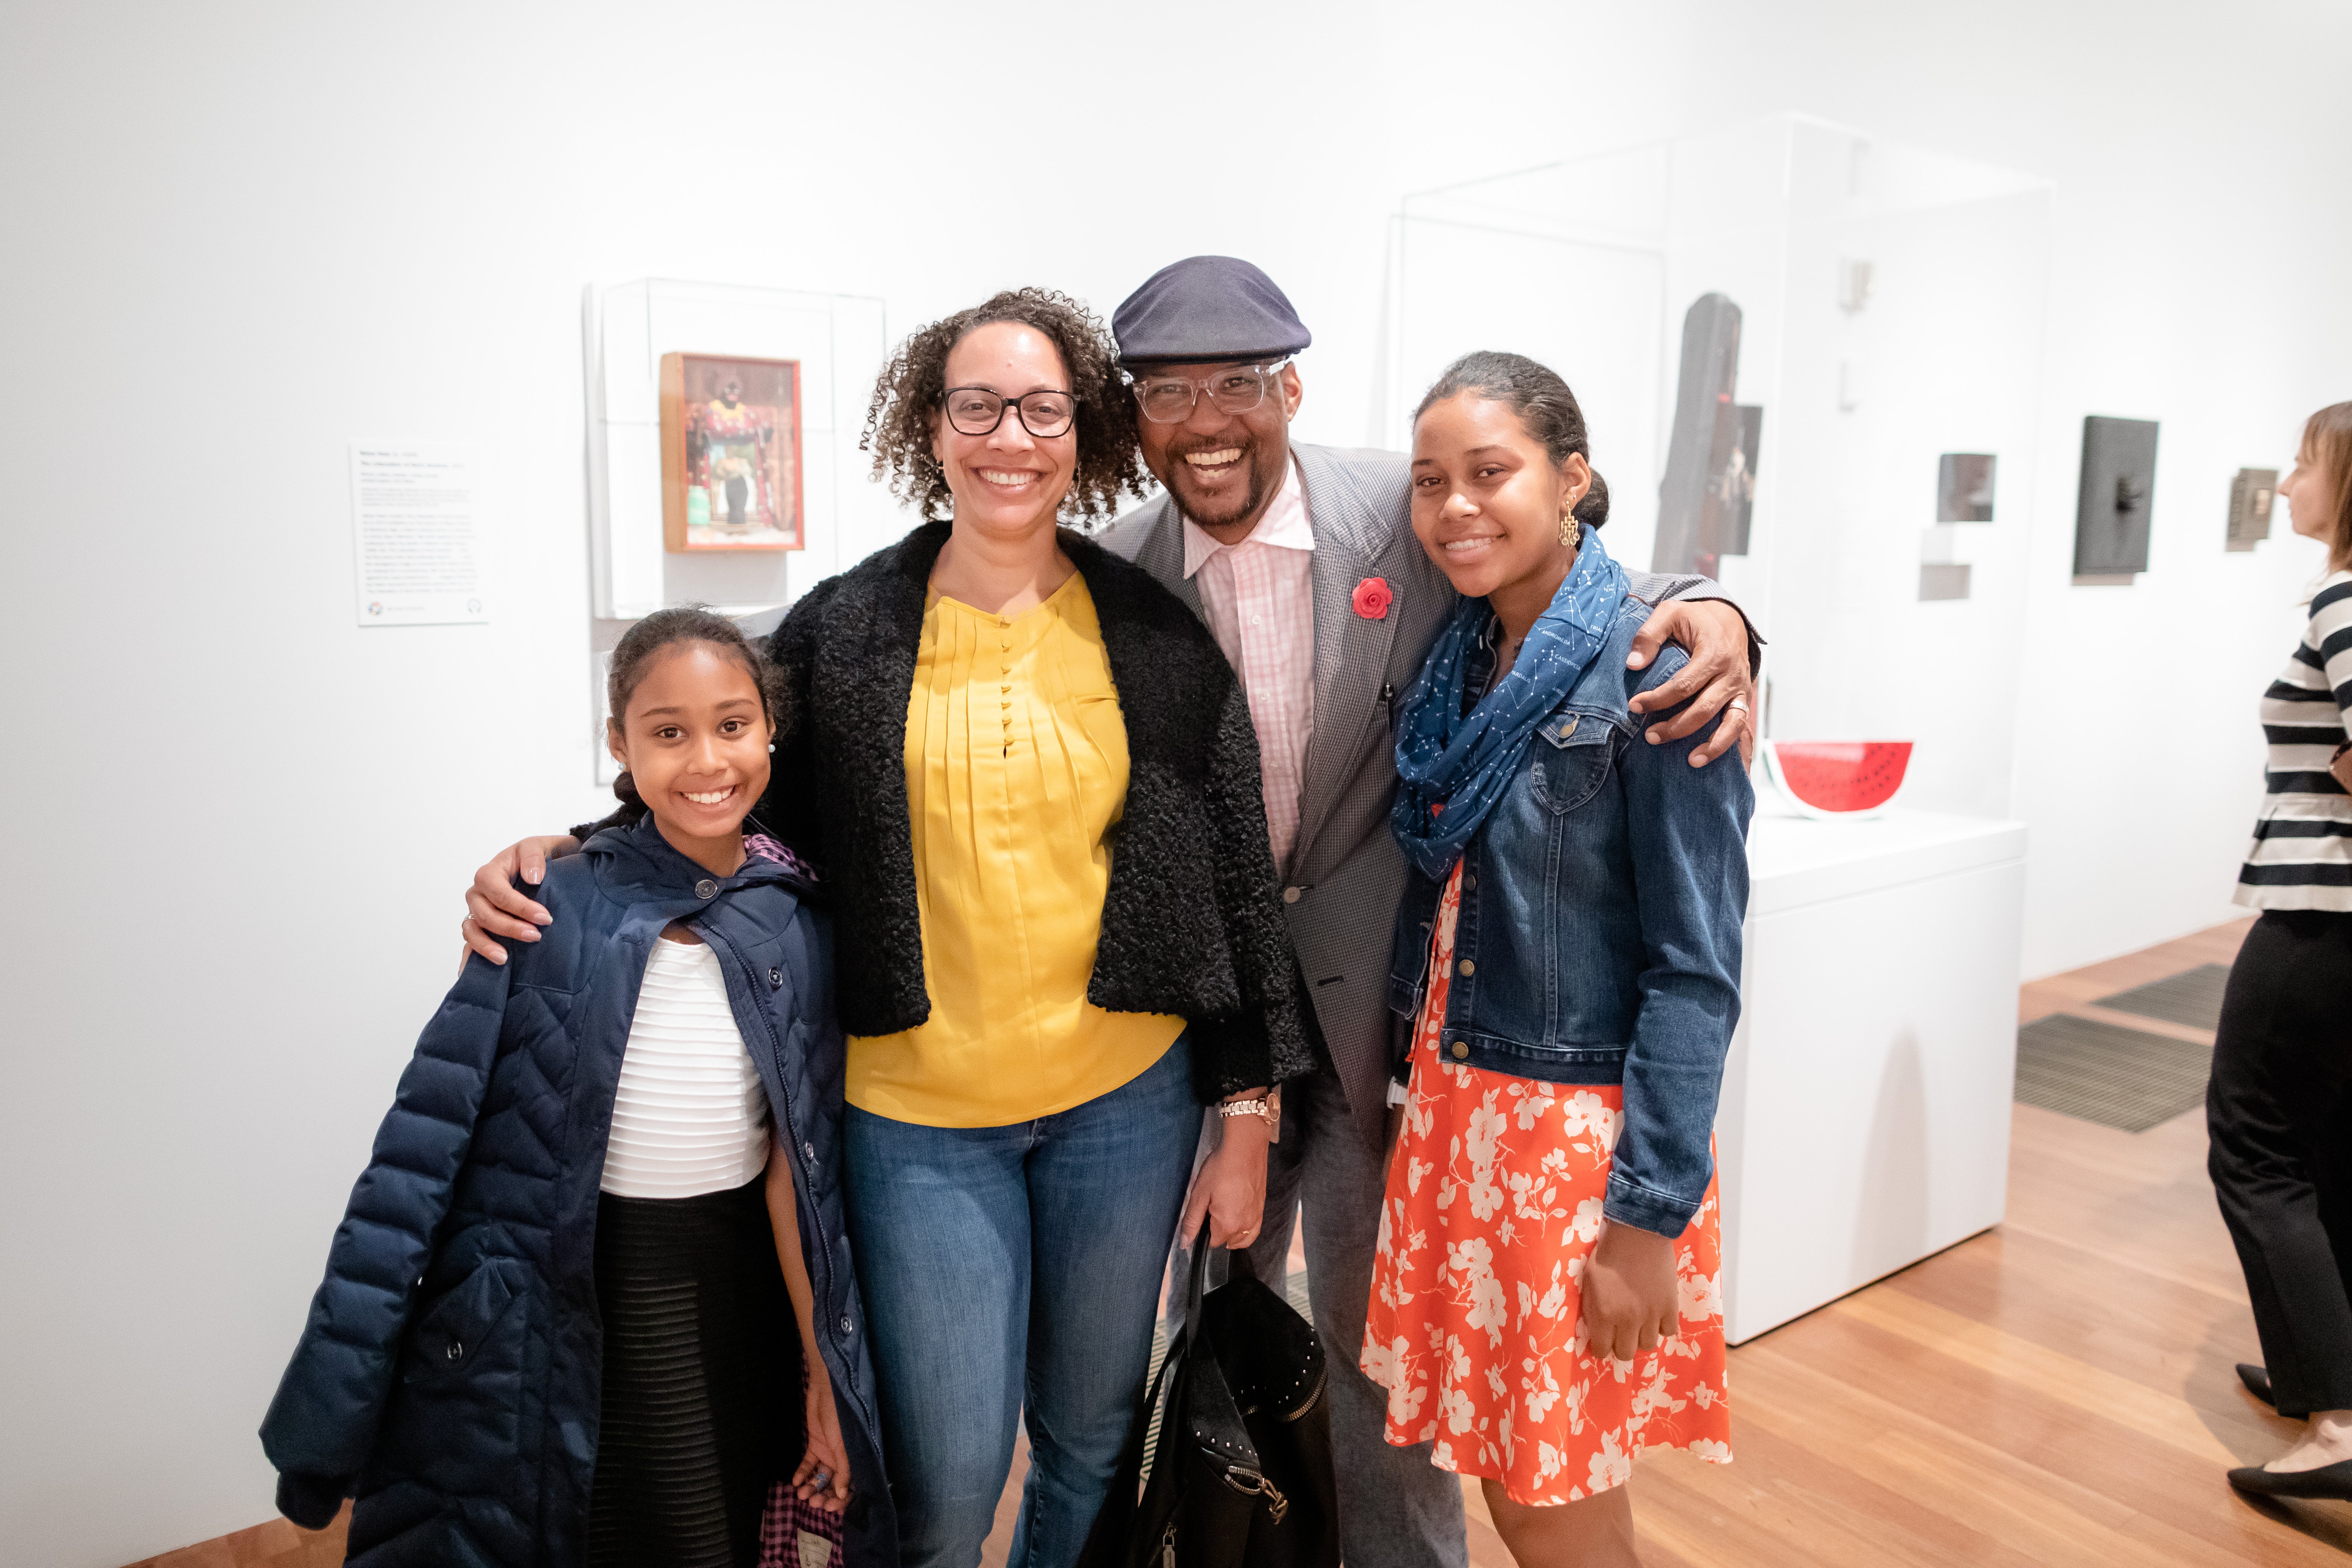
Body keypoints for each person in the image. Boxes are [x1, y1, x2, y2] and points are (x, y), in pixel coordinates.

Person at [460, 289, 1306, 1568]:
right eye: (977, 405)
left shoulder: (1152, 637)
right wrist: (575, 851)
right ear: (931, 425)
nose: (1007, 436)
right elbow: (728, 793)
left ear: (1079, 432)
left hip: (1122, 1109)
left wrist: (1243, 1112)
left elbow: (1231, 878)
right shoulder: (846, 630)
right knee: (944, 1482)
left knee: (1085, 1442)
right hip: (917, 1125)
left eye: (1039, 408)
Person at [1096, 257, 1761, 1568]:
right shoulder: (1112, 570)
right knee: (1195, 1348)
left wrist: (1723, 610)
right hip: (1245, 1038)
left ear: (1288, 387)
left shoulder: (1402, 521)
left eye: (1236, 382)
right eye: (1168, 392)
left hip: (1418, 1061)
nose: (1206, 417)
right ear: (1136, 417)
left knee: (1394, 1393)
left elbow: (1606, 606)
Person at [261, 608, 886, 1568]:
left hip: (727, 1302)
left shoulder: (797, 921)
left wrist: (820, 1370)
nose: (707, 758)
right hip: (565, 1300)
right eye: (667, 731)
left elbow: (795, 1176)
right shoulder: (548, 907)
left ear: (771, 731)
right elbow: (415, 1162)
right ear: (620, 746)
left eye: (732, 723)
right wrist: (326, 1413)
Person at [1360, 352, 1750, 1567]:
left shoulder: (1655, 666)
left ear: (1570, 476)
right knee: (1513, 1477)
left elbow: (1695, 968)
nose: (1453, 508)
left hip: (1568, 1155)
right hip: (1457, 1120)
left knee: (1549, 1497)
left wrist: (1643, 1218)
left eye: (1489, 473)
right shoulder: (1456, 659)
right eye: (1429, 483)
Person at [2211, 399, 2352, 1504]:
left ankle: (2340, 1423)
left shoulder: (2345, 600)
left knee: (2254, 1152)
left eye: (2304, 463)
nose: (2288, 481)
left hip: (2319, 919)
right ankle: (2327, 1371)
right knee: (2326, 1153)